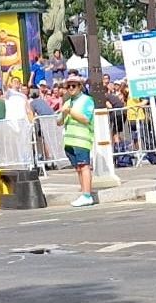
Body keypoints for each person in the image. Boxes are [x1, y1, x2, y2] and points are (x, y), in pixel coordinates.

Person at [58, 75, 96, 207]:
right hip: (70, 140)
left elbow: (86, 118)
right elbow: (59, 121)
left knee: (84, 166)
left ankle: (87, 195)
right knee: (78, 168)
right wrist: (63, 113)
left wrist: (70, 111)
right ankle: (84, 192)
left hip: (82, 139)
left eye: (73, 86)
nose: (70, 88)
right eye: (68, 86)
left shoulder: (87, 100)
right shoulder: (68, 102)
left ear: (80, 87)